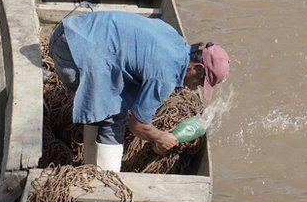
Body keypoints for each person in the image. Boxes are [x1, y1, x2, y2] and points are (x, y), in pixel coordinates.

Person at [48, 11, 230, 171]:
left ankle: (88, 169)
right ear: (197, 68)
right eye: (199, 82)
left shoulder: (175, 40)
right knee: (114, 117)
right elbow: (137, 125)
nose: (195, 87)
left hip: (72, 28)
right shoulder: (165, 76)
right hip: (71, 50)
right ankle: (106, 183)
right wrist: (160, 138)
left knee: (107, 105)